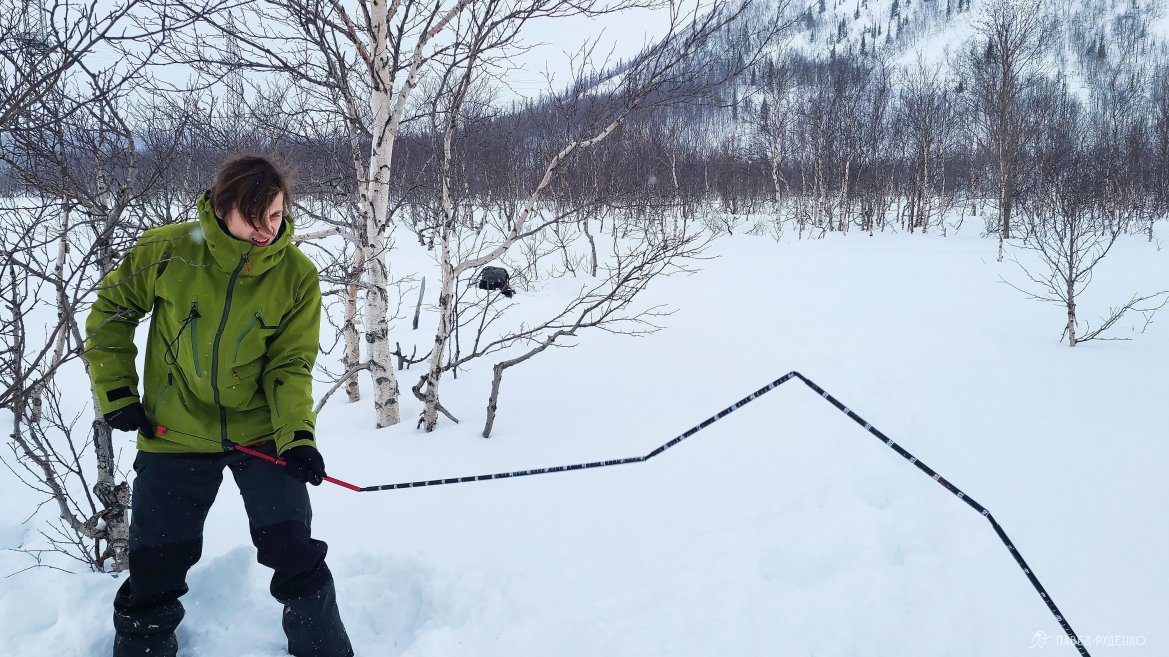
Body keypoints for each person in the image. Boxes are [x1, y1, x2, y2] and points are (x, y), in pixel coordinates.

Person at [82, 155, 354, 657]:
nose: (269, 230)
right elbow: (110, 314)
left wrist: (297, 437)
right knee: (156, 563)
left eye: (276, 215)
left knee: (294, 552)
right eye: (256, 217)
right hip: (175, 433)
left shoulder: (295, 275)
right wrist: (116, 392)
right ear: (222, 207)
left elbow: (290, 365)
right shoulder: (168, 251)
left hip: (260, 435)